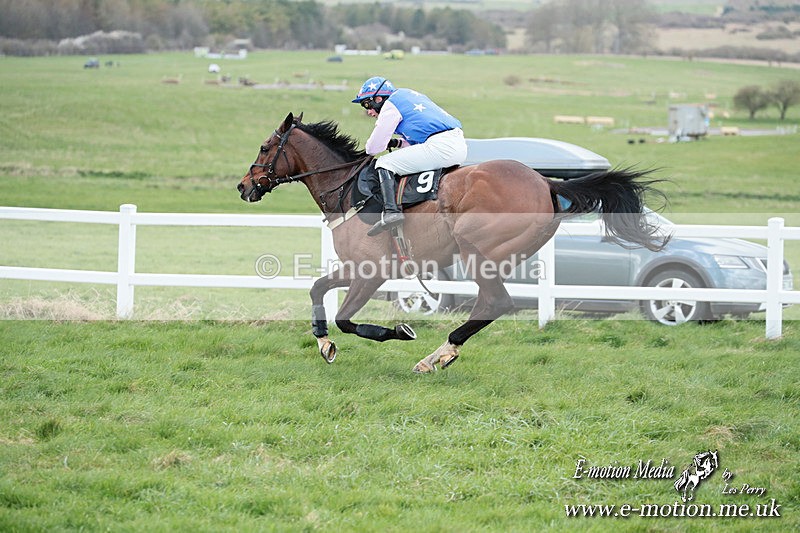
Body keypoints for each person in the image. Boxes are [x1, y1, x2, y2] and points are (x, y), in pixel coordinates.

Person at [352, 76, 467, 236]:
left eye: (367, 104)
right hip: (457, 144)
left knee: (383, 164)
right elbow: (417, 142)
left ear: (378, 99)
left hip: (441, 146)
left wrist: (372, 148)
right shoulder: (406, 95)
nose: (369, 111)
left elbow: (373, 148)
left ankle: (391, 211)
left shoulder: (390, 106)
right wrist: (397, 143)